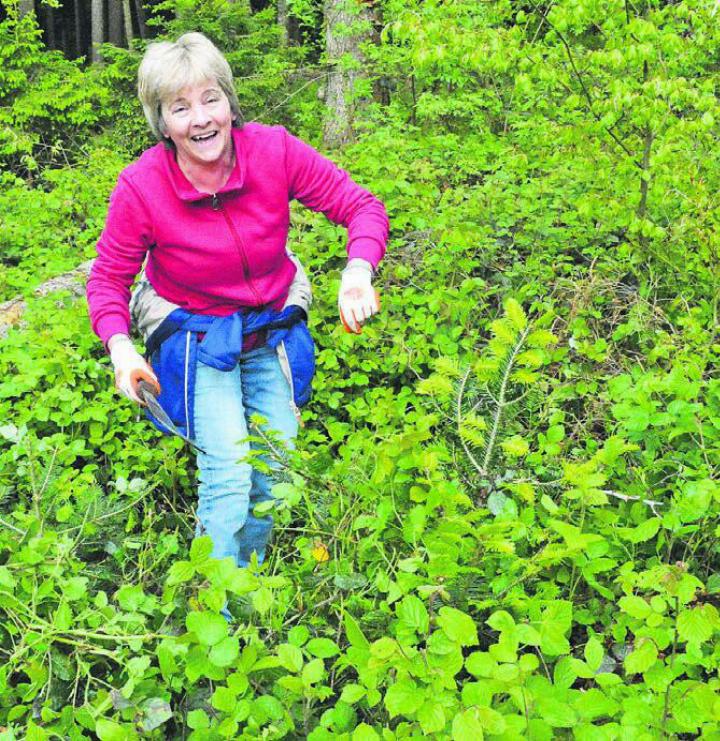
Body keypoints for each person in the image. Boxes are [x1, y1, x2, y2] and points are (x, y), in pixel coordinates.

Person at [86, 32, 388, 588]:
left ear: (229, 102)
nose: (200, 119)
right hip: (198, 333)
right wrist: (121, 348)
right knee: (227, 471)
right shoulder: (141, 186)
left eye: (211, 100)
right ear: (161, 119)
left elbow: (361, 205)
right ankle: (218, 608)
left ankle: (247, 577)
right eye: (180, 108)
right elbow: (108, 278)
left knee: (275, 467)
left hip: (268, 324)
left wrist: (357, 271)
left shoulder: (273, 149)